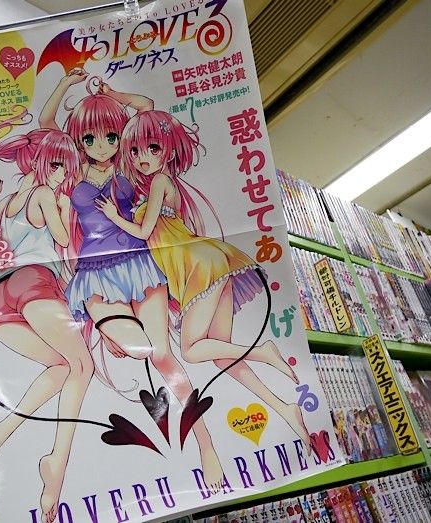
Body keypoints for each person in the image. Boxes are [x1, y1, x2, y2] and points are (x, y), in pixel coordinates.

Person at [39, 70, 226, 492]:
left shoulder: (128, 163)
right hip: (96, 275)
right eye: (90, 139)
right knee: (136, 345)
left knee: (162, 355)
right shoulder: (71, 172)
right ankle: (118, 346)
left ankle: (206, 444)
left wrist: (112, 92)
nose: (101, 146)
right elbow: (47, 123)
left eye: (110, 137)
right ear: (79, 141)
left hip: (140, 264)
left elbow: (146, 107)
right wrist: (66, 85)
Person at [99, 109, 311, 449]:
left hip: (201, 266)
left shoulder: (160, 181)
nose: (142, 157)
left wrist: (113, 216)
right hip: (207, 264)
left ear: (168, 148)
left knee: (191, 350)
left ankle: (262, 351)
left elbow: (143, 231)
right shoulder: (160, 184)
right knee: (222, 356)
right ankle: (285, 409)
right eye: (135, 151)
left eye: (152, 148)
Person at [0, 110, 93, 522]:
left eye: (67, 168)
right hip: (33, 280)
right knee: (83, 366)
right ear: (42, 163)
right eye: (59, 165)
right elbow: (64, 240)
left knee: (63, 366)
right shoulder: (47, 194)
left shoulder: (12, 198)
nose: (64, 174)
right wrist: (66, 207)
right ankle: (57, 463)